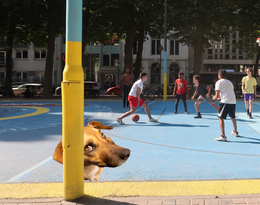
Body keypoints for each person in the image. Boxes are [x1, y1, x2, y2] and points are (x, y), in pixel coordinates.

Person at [212, 69, 239, 141]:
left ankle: (223, 136)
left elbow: (217, 96)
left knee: (220, 118)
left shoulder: (218, 82)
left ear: (219, 75)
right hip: (233, 101)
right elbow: (227, 92)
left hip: (225, 102)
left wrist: (212, 99)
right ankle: (235, 131)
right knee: (233, 117)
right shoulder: (229, 82)